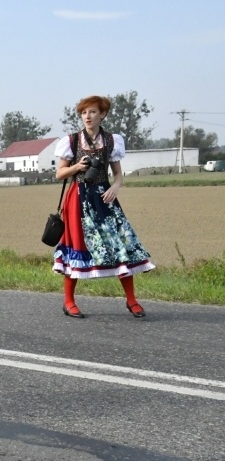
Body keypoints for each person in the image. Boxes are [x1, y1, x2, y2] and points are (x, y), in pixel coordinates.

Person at [53, 95, 155, 318]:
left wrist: (116, 187)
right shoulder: (71, 141)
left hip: (105, 197)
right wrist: (77, 167)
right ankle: (68, 301)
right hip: (78, 198)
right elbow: (59, 174)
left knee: (119, 243)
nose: (87, 117)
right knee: (77, 245)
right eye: (83, 113)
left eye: (92, 112)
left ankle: (132, 300)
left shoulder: (111, 140)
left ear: (103, 114)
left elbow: (118, 174)